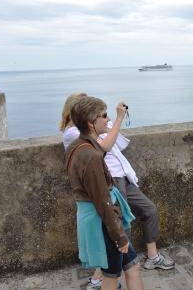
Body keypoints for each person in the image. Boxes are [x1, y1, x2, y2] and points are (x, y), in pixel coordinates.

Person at [62, 93, 175, 272]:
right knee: (118, 224)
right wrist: (118, 119)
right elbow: (103, 147)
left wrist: (107, 125)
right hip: (108, 180)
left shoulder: (90, 132)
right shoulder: (74, 135)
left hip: (121, 175)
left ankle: (146, 258)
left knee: (148, 209)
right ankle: (104, 273)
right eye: (102, 115)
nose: (106, 118)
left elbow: (113, 144)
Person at [65, 96, 144, 290]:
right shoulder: (90, 155)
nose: (107, 119)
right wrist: (119, 236)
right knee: (110, 277)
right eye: (104, 115)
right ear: (92, 122)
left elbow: (103, 148)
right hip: (105, 225)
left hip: (101, 222)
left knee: (132, 268)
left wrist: (117, 120)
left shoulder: (79, 146)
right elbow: (103, 202)